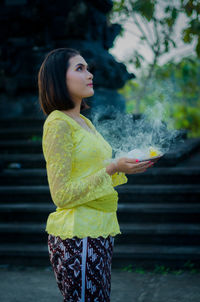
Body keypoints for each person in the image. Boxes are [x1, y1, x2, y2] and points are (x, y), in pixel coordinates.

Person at [38, 47, 154, 302]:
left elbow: (95, 173)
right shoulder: (58, 123)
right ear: (59, 78)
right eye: (79, 68)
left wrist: (125, 165)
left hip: (100, 230)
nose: (89, 74)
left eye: (88, 68)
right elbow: (61, 195)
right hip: (77, 235)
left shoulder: (85, 122)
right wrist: (112, 168)